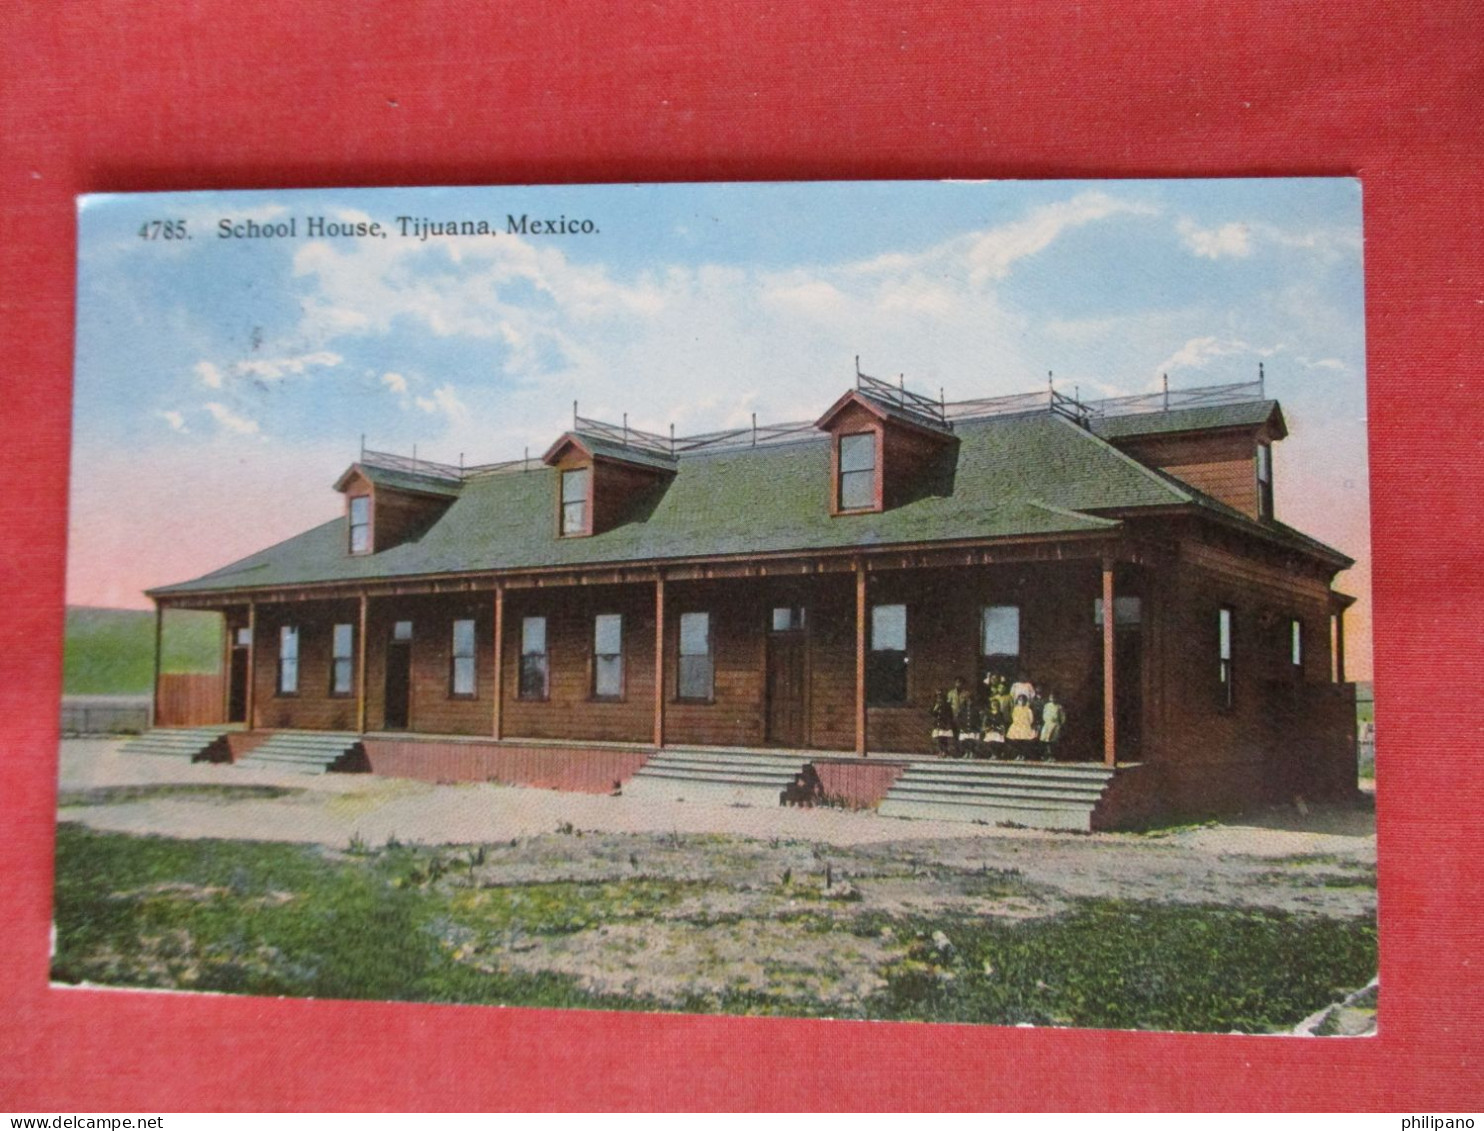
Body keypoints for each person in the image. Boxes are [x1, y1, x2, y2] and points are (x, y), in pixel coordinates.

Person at [1006, 693, 1038, 760]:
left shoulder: (1028, 709)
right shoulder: (1015, 709)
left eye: (1023, 700)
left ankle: (1023, 755)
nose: (1022, 702)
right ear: (1018, 701)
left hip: (1025, 727)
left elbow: (1031, 719)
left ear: (1026, 701)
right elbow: (1014, 717)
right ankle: (1018, 754)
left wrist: (1027, 724)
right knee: (1016, 741)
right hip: (1017, 726)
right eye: (1020, 700)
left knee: (1024, 742)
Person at [1039, 692, 1065, 762]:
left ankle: (1053, 756)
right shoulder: (1047, 705)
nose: (1052, 699)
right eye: (1051, 697)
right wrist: (1045, 720)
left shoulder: (1059, 707)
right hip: (1047, 724)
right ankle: (1046, 755)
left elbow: (1062, 717)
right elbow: (1044, 714)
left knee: (1053, 741)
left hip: (1055, 725)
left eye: (1054, 697)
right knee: (1046, 741)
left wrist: (1060, 724)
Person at [929, 689, 956, 757]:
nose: (939, 699)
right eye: (937, 697)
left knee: (944, 739)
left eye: (940, 697)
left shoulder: (947, 705)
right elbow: (932, 713)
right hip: (937, 724)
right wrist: (935, 707)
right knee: (939, 739)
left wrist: (948, 724)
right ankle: (940, 751)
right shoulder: (935, 705)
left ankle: (945, 751)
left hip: (944, 724)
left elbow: (950, 715)